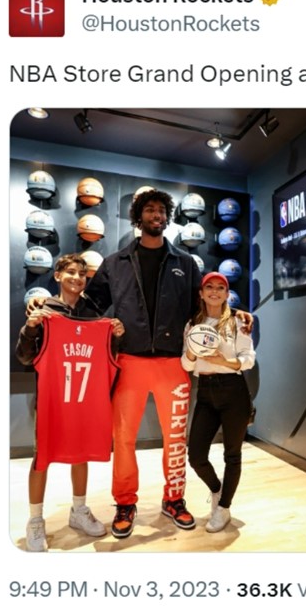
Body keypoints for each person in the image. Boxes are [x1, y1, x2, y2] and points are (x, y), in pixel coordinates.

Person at [83, 189, 202, 537]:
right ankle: (124, 501)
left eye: (162, 210)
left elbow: (203, 310)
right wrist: (53, 311)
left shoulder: (185, 263)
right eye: (149, 209)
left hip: (173, 364)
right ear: (139, 217)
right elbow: (89, 307)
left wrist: (234, 316)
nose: (156, 215)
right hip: (129, 362)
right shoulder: (115, 263)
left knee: (176, 438)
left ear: (168, 217)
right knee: (123, 439)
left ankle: (174, 499)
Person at [15, 253, 125, 551]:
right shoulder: (44, 309)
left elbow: (108, 357)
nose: (77, 278)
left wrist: (114, 335)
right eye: (71, 272)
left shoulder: (93, 312)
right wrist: (32, 327)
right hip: (52, 399)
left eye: (82, 274)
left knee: (81, 454)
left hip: (84, 399)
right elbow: (25, 356)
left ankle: (78, 510)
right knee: (42, 457)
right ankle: (35, 520)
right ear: (58, 275)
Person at [181, 272, 257, 533]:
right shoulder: (192, 324)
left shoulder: (239, 321)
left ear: (227, 294)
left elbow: (248, 359)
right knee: (196, 456)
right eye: (209, 287)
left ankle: (224, 508)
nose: (215, 291)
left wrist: (223, 361)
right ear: (201, 293)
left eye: (220, 288)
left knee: (232, 455)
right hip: (205, 392)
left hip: (233, 390)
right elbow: (186, 364)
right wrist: (191, 353)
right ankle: (217, 490)